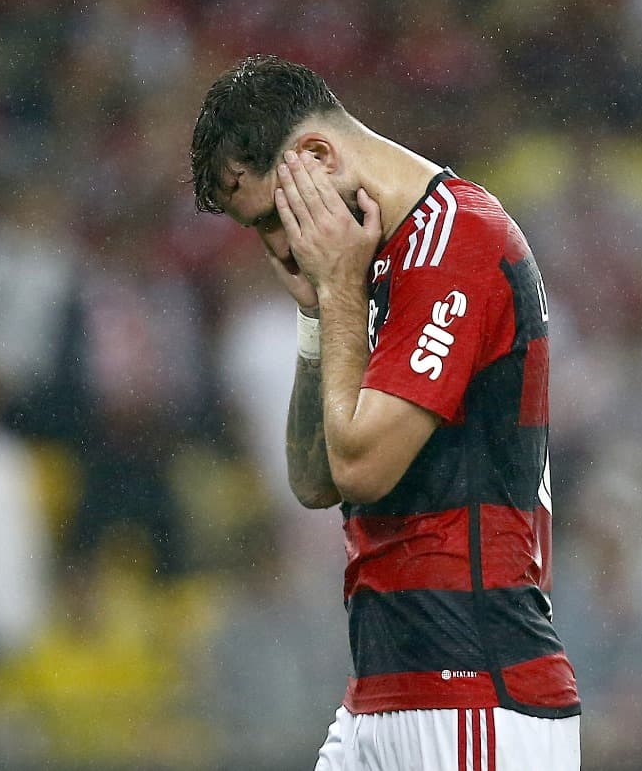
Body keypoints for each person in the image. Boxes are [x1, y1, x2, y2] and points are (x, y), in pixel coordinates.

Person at [189, 55, 580, 769]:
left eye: (278, 214)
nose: (280, 245)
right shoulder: (376, 263)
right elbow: (315, 479)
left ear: (316, 154)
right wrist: (317, 316)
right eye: (260, 230)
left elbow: (362, 465)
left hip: (475, 699)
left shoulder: (457, 239)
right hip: (383, 693)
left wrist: (338, 290)